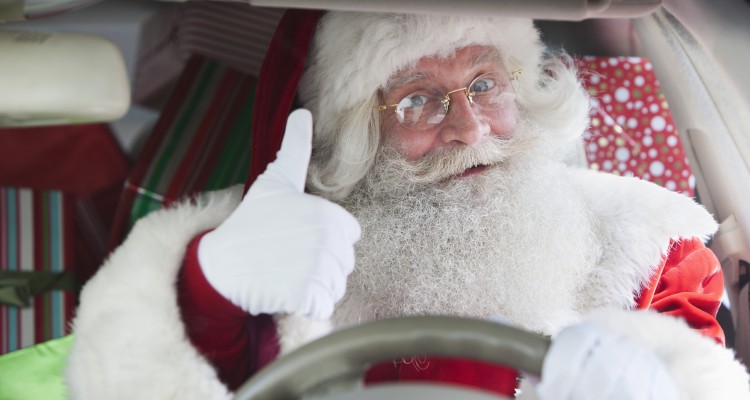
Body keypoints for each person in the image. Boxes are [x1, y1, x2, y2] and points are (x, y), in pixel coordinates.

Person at [65, 9, 750, 400]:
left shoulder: (649, 251)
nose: (469, 129)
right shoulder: (272, 252)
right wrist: (207, 293)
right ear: (354, 134)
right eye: (417, 99)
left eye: (485, 83)